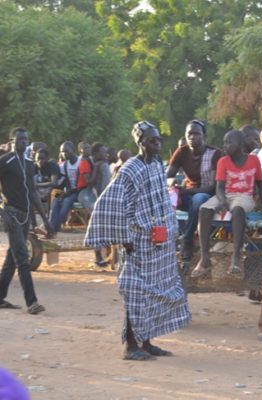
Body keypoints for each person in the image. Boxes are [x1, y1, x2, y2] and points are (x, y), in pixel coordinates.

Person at [85, 121, 191, 361]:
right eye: (153, 140)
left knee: (155, 292)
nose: (158, 143)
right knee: (136, 293)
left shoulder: (155, 166)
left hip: (158, 242)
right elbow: (111, 202)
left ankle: (147, 342)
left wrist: (170, 228)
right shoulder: (130, 169)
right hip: (137, 242)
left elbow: (162, 200)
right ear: (141, 142)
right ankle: (131, 347)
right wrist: (126, 238)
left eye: (159, 140)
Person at [191, 130, 262, 278]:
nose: (224, 146)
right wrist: (222, 201)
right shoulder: (223, 161)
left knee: (238, 211)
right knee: (204, 210)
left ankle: (236, 257)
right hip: (226, 195)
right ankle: (204, 257)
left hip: (245, 196)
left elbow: (260, 185)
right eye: (224, 142)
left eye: (228, 142)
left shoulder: (253, 160)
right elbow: (219, 187)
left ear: (239, 144)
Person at [0, 128, 54, 314]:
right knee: (23, 259)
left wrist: (45, 219)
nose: (24, 142)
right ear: (12, 140)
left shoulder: (30, 163)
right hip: (12, 214)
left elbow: (32, 192)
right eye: (20, 139)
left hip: (25, 216)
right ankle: (32, 302)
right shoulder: (5, 161)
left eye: (26, 139)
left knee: (11, 259)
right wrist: (3, 212)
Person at [166, 120, 223, 260]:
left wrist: (185, 191)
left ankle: (187, 240)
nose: (192, 137)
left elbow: (211, 187)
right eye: (189, 134)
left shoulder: (215, 153)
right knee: (166, 199)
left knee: (199, 199)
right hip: (187, 196)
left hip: (207, 197)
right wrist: (172, 182)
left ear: (204, 136)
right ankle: (163, 242)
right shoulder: (182, 152)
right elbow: (167, 176)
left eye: (196, 134)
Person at [49, 141, 92, 232]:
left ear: (72, 150)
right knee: (55, 199)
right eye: (62, 152)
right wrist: (60, 192)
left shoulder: (80, 163)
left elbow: (81, 184)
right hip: (67, 191)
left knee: (66, 201)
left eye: (66, 151)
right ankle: (51, 227)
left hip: (79, 192)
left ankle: (56, 227)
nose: (63, 154)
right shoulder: (64, 165)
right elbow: (62, 181)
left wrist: (66, 193)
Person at [90, 142, 112, 267]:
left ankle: (103, 256)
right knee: (100, 230)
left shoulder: (100, 164)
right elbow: (103, 186)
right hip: (102, 200)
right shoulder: (102, 165)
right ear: (96, 154)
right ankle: (100, 257)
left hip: (101, 199)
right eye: (103, 152)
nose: (106, 154)